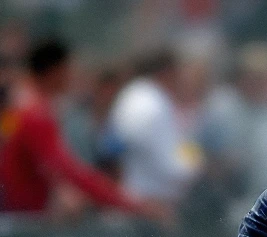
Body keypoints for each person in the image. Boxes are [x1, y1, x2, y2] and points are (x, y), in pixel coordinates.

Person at [0, 39, 160, 218]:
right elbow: (69, 169)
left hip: (19, 215)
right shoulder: (34, 114)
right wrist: (131, 204)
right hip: (21, 220)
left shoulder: (22, 106)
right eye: (69, 70)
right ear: (56, 71)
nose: (72, 77)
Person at [107, 49, 199, 205]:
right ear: (167, 72)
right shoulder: (154, 103)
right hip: (151, 201)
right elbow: (172, 166)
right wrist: (196, 157)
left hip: (131, 193)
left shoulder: (132, 93)